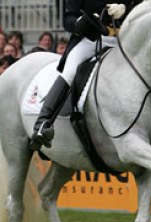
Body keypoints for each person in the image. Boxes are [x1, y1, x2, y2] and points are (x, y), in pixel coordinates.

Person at [30, 0, 143, 150]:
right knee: (70, 72)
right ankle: (42, 122)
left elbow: (144, 6)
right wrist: (79, 23)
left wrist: (127, 8)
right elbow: (68, 19)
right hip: (92, 40)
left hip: (124, 40)